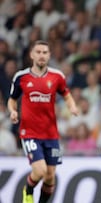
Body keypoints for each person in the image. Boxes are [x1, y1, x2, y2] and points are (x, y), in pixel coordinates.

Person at [7, 40, 79, 203]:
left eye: (45, 52)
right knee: (40, 171)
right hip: (29, 133)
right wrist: (13, 111)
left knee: (50, 177)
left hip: (51, 134)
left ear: (49, 56)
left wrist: (72, 107)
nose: (41, 55)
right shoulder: (21, 77)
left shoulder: (57, 76)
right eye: (38, 52)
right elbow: (12, 99)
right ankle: (28, 190)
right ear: (32, 55)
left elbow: (66, 94)